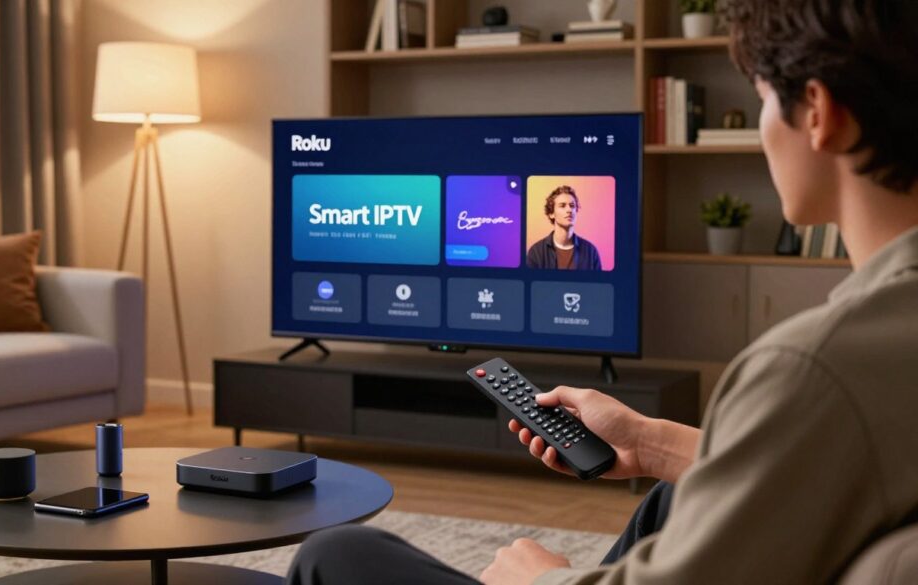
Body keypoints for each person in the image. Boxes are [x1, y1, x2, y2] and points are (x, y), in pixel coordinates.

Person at [286, 1, 918, 583]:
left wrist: (540, 579)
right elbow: (797, 478)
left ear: (817, 111)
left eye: (761, 100)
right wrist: (648, 442)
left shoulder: (815, 367)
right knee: (673, 494)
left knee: (336, 552)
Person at [526, 186, 602, 271]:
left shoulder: (591, 252)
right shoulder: (536, 252)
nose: (569, 210)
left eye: (572, 206)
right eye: (562, 206)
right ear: (551, 214)